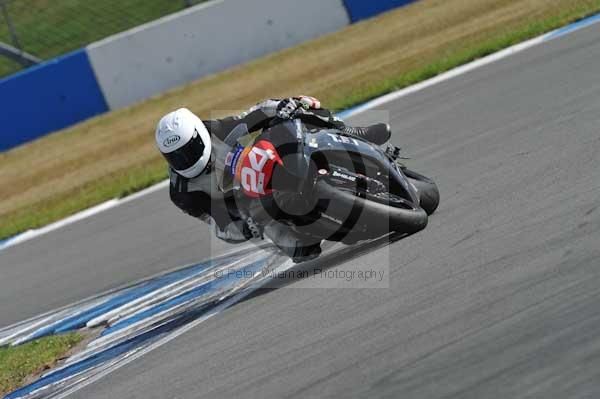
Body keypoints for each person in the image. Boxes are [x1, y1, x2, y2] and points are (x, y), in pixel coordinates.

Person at [155, 96, 391, 262]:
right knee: (301, 252)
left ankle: (352, 132)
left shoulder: (215, 130)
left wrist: (281, 106)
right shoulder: (182, 192)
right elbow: (218, 226)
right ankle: (325, 224)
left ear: (199, 133)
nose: (184, 159)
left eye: (188, 150)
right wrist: (244, 228)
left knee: (303, 107)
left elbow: (254, 114)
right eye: (175, 157)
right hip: (250, 205)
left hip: (262, 161)